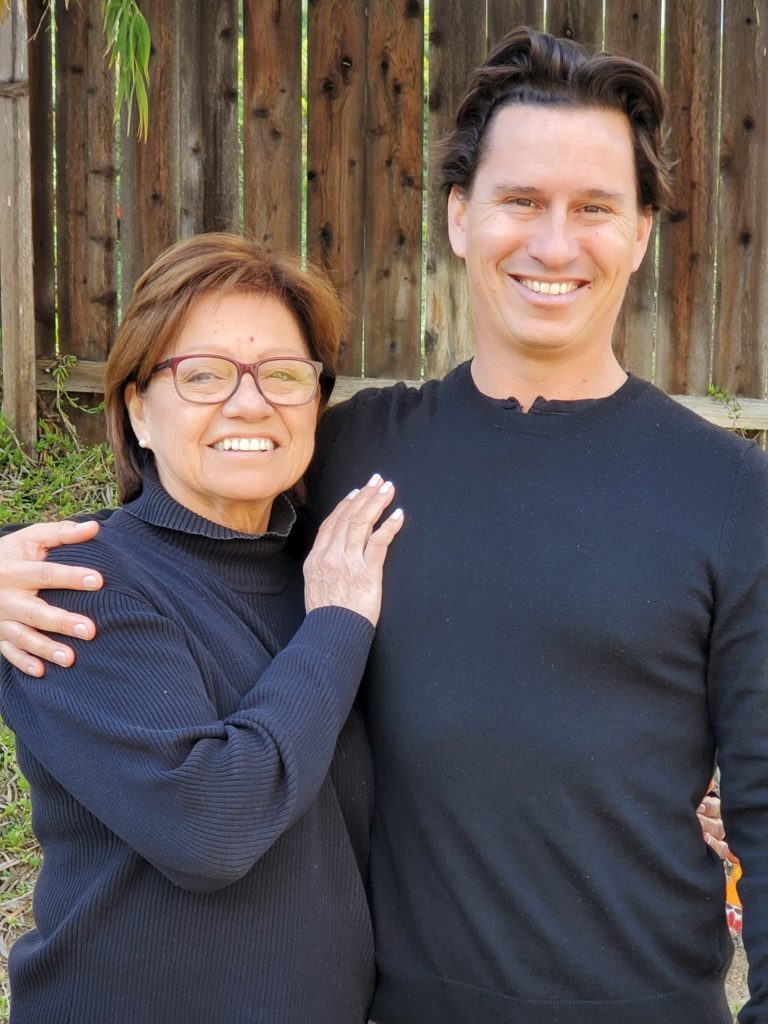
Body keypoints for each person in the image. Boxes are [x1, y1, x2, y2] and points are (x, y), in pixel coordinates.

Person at [0, 24, 760, 1024]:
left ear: (642, 233)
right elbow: (189, 518)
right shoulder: (352, 457)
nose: (554, 242)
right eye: (520, 201)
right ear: (458, 217)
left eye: (595, 208)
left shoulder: (728, 490)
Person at [0, 232, 404, 1023]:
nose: (249, 403)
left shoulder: (325, 567)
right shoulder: (78, 586)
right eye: (203, 374)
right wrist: (335, 624)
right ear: (136, 410)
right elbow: (208, 824)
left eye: (283, 375)